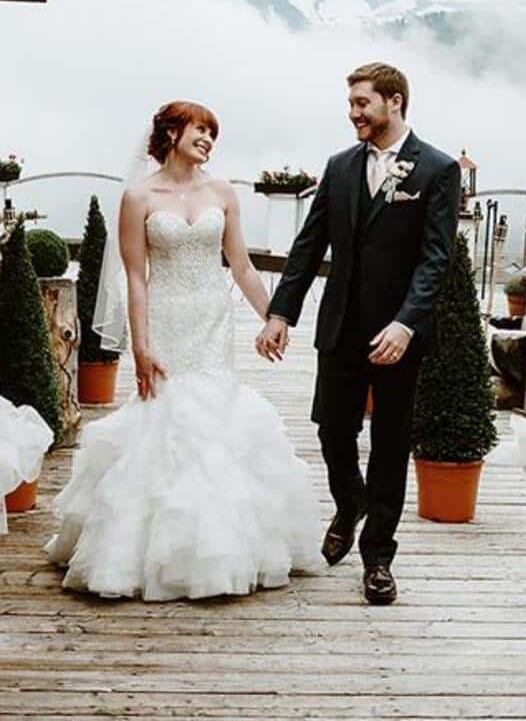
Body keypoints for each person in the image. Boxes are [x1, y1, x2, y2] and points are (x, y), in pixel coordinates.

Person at [45, 101, 322, 600]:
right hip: (167, 319)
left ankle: (225, 547)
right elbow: (135, 276)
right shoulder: (138, 196)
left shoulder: (222, 193)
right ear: (171, 132)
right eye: (200, 130)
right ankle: (149, 552)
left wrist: (273, 317)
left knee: (214, 421)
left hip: (213, 322)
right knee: (164, 422)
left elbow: (241, 266)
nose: (208, 140)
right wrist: (141, 346)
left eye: (212, 133)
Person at [257, 63, 461, 605]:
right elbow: (308, 246)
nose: (353, 113)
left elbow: (436, 259)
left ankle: (377, 558)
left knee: (391, 445)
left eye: (362, 103)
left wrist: (406, 323)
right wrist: (280, 313)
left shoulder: (437, 170)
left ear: (393, 103)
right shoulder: (339, 167)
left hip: (400, 333)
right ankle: (350, 503)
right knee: (331, 430)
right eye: (350, 104)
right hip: (341, 326)